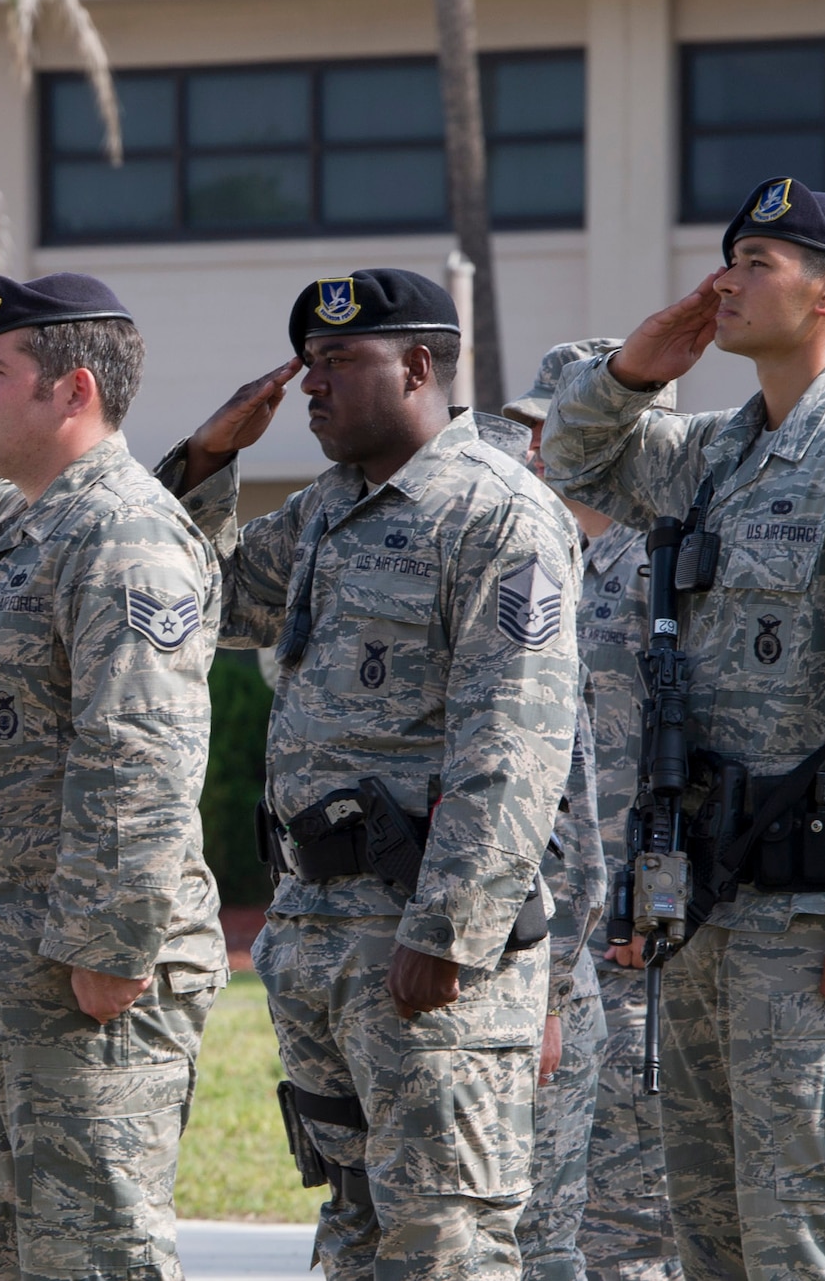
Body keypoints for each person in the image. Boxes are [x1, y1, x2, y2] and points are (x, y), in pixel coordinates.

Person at [541, 177, 825, 1281]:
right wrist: (637, 366)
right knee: (715, 1245)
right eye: (727, 255)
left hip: (820, 926)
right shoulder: (718, 451)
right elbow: (579, 459)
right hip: (708, 922)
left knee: (813, 1249)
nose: (725, 279)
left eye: (757, 263)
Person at [162, 269, 580, 1280]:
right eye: (306, 364)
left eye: (340, 361)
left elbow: (514, 743)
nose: (311, 384)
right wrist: (207, 458)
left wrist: (448, 931)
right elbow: (190, 601)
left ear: (419, 367)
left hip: (425, 950)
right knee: (353, 1233)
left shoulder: (494, 516)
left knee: (445, 1239)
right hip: (321, 939)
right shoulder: (322, 512)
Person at [0, 272, 229, 1281]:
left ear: (73, 390)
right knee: (14, 1260)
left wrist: (106, 942)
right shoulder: (28, 522)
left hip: (85, 974)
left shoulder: (123, 535)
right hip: (5, 960)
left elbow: (139, 751)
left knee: (94, 1257)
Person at [505, 342, 683, 1281]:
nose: (539, 448)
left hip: (634, 946)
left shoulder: (671, 567)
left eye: (554, 429)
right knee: (533, 1206)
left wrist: (659, 901)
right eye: (533, 428)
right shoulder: (529, 558)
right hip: (540, 940)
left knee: (631, 1220)